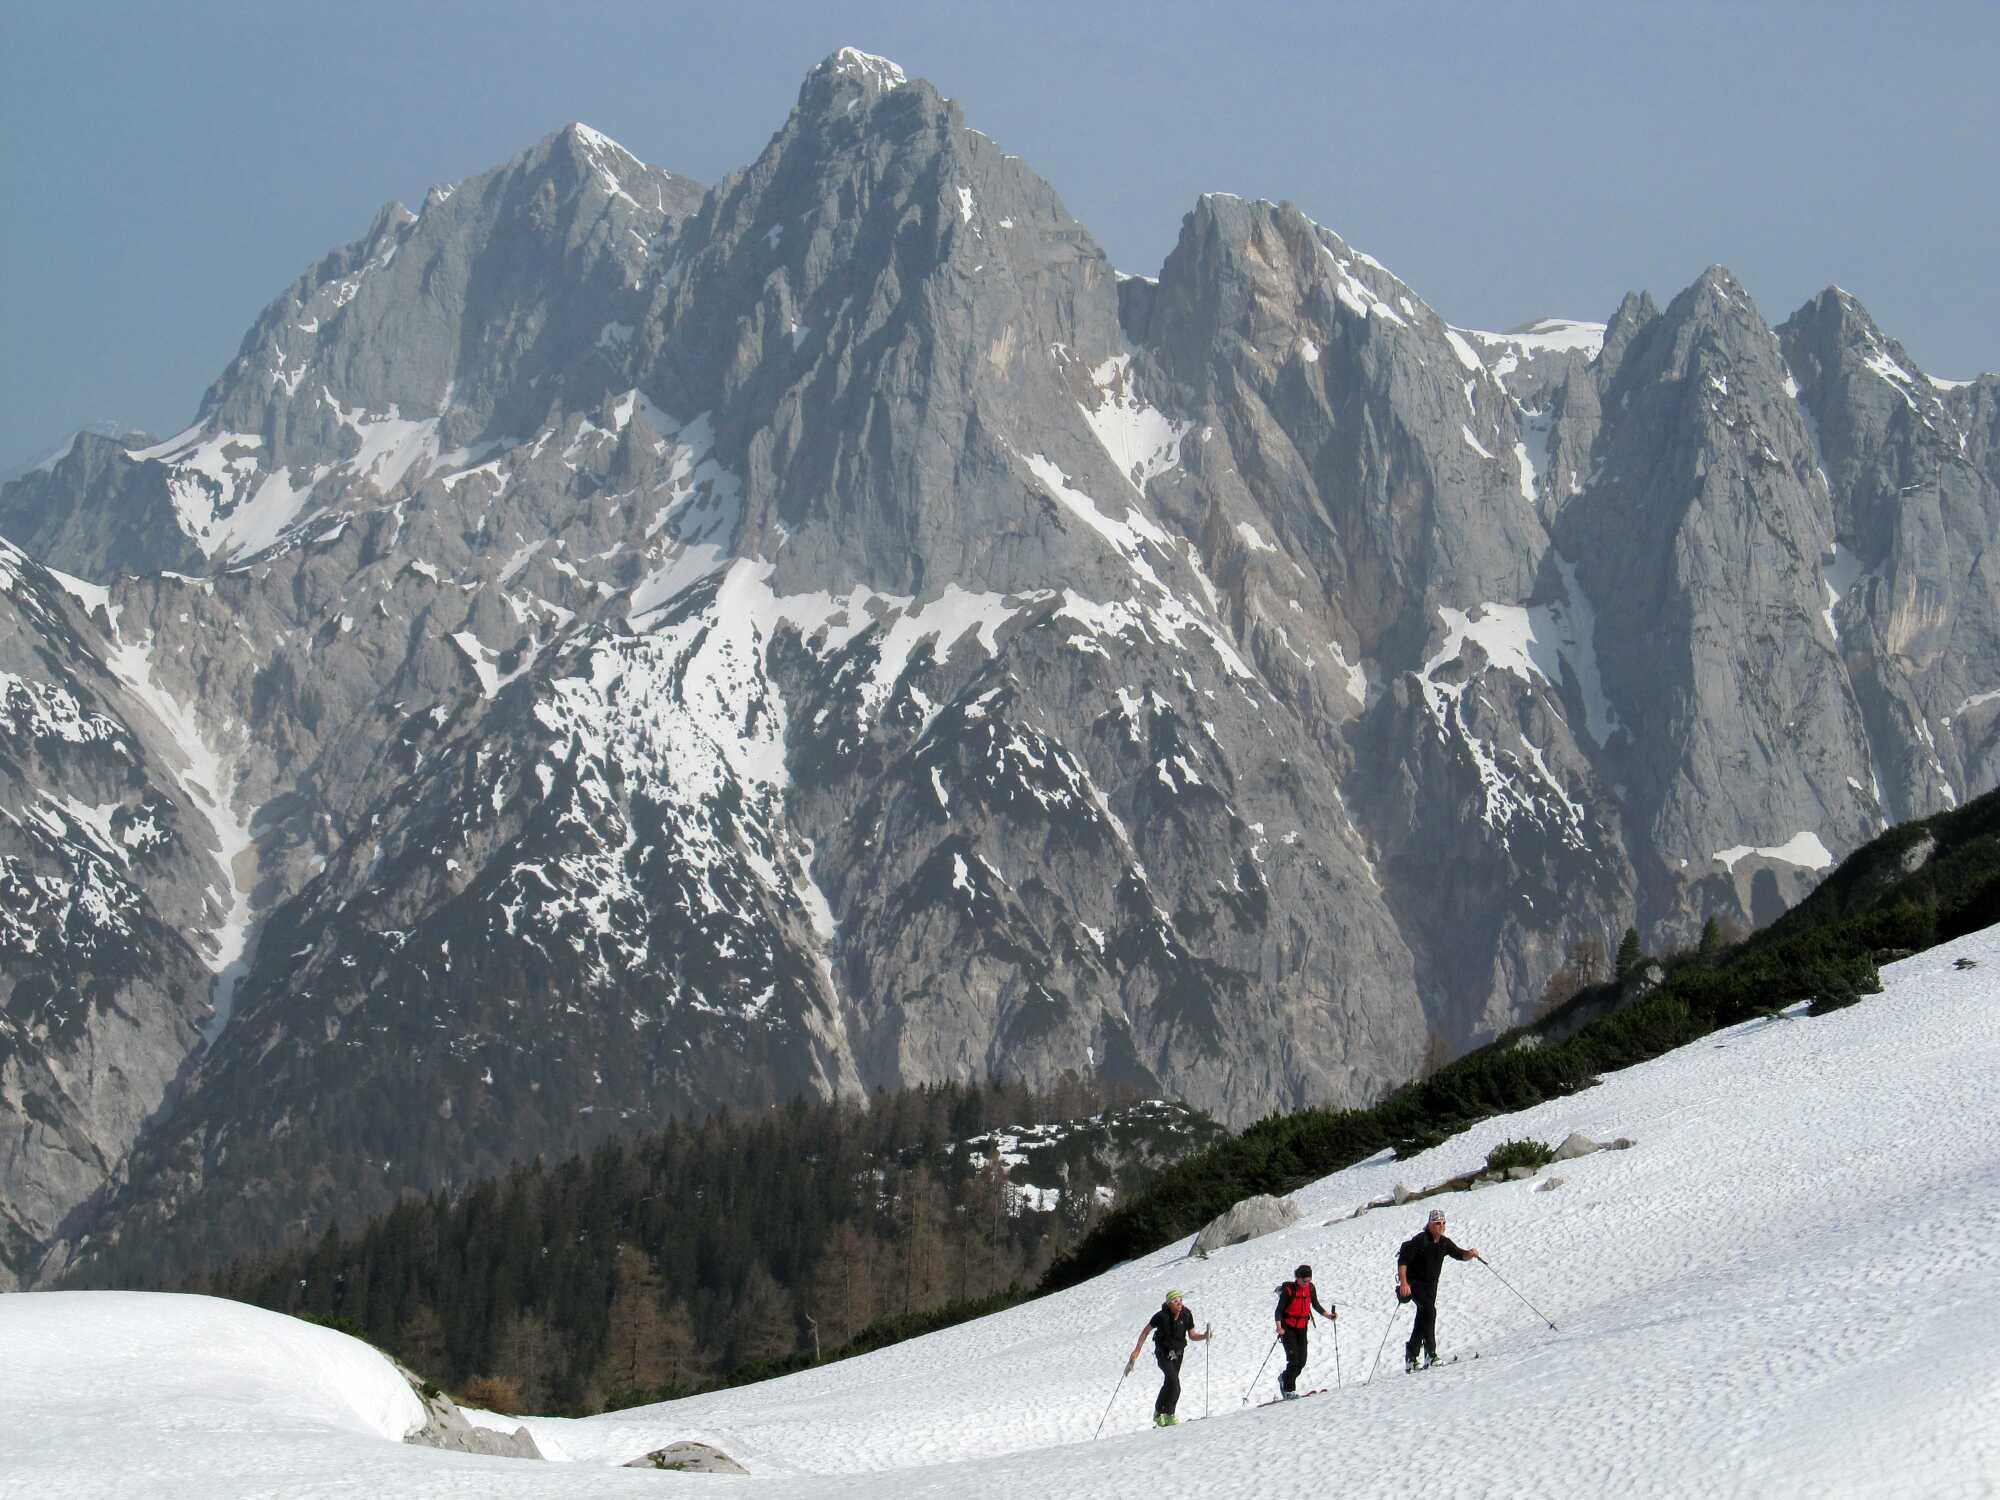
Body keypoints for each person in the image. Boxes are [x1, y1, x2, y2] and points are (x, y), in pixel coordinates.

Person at [1397, 1208, 1479, 1371]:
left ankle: (1411, 1356)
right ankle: (1431, 1353)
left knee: (1423, 1316)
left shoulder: (1444, 1242)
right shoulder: (1420, 1240)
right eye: (1437, 1223)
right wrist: (1404, 1283)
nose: (1441, 1226)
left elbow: (1459, 1254)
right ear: (1429, 1224)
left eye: (1443, 1223)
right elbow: (1403, 1261)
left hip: (1431, 1286)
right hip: (1415, 1284)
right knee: (1430, 1311)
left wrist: (1470, 1254)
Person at [1126, 1290, 1210, 1426]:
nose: (1179, 1303)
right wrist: (1137, 1350)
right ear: (1169, 1303)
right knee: (1175, 1384)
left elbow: (1192, 1335)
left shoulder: (1186, 1314)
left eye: (1180, 1300)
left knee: (1170, 1383)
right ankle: (1169, 1414)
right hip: (1163, 1353)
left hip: (1178, 1354)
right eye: (1175, 1301)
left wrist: (1204, 1336)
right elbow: (1145, 1332)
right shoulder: (1161, 1316)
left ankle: (1160, 1413)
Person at [1272, 1262, 1334, 1398]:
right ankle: (1288, 1390)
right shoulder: (1289, 1290)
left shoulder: (1310, 1288)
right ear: (1298, 1278)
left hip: (1302, 1328)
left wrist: (1328, 1316)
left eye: (1309, 1280)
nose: (1307, 1283)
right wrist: (1279, 1327)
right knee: (1294, 1360)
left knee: (1302, 1361)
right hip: (1288, 1328)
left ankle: (1284, 1378)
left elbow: (1315, 1305)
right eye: (1305, 1281)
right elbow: (1278, 1311)